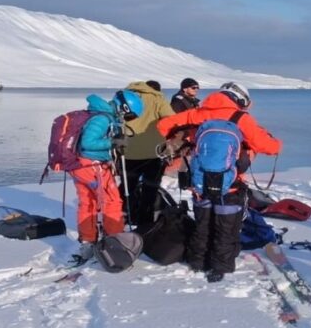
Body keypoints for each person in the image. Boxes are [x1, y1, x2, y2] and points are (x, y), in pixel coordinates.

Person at [157, 82, 281, 283]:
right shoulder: (242, 118)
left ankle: (197, 262)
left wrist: (190, 139)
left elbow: (163, 126)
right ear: (240, 100)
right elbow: (270, 146)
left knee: (202, 223)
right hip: (230, 182)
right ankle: (220, 267)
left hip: (200, 180)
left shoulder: (197, 113)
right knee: (227, 227)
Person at [71, 89, 144, 261]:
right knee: (111, 201)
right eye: (129, 116)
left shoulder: (101, 114)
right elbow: (88, 142)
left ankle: (88, 242)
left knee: (88, 203)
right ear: (123, 108)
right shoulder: (102, 118)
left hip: (81, 166)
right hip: (93, 166)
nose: (128, 120)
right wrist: (113, 142)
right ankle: (115, 240)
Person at [120, 80, 176, 227]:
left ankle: (123, 215)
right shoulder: (158, 99)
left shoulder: (125, 96)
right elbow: (172, 119)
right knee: (149, 188)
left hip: (128, 151)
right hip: (154, 152)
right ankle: (145, 221)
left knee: (127, 186)